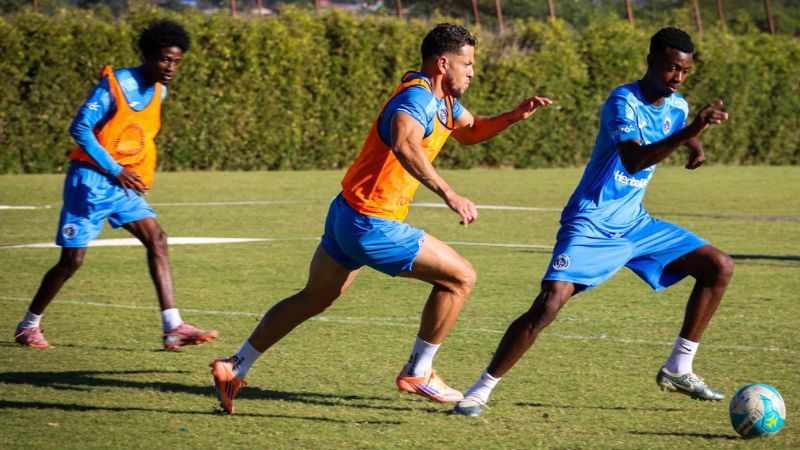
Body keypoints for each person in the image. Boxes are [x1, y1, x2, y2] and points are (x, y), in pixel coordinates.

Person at [210, 23, 553, 414]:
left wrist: (512, 116)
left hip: (346, 215)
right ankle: (419, 371)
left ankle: (235, 366)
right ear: (443, 63)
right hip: (373, 223)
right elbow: (405, 142)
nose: (472, 72)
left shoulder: (444, 103)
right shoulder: (416, 100)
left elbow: (471, 131)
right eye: (467, 63)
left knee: (315, 297)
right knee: (461, 278)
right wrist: (450, 193)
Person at [454, 27, 733, 417]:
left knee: (718, 266)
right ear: (651, 60)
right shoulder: (623, 101)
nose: (678, 78)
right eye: (671, 69)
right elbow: (633, 159)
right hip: (590, 220)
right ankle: (480, 389)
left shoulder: (678, 106)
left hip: (635, 223)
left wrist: (695, 145)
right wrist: (692, 132)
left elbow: (673, 126)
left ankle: (679, 367)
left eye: (685, 72)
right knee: (549, 304)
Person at [13, 20, 218, 351]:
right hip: (90, 183)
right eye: (166, 59)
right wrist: (116, 169)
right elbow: (80, 128)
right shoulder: (115, 85)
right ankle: (28, 326)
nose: (171, 68)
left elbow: (137, 136)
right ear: (148, 55)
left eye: (177, 61)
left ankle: (173, 327)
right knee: (72, 262)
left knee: (158, 239)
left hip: (122, 187)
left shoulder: (159, 92)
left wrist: (135, 174)